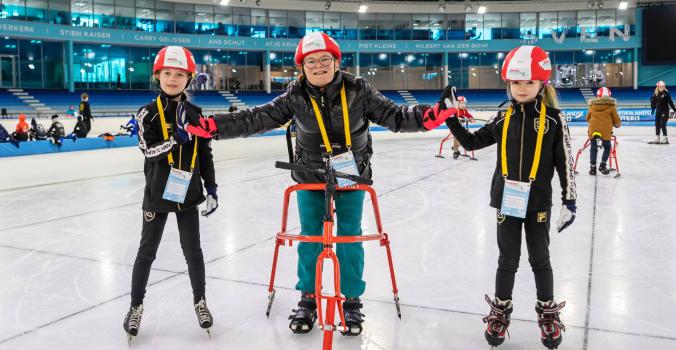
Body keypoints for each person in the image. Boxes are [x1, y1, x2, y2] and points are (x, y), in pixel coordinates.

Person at [184, 32, 457, 336]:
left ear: (336, 62)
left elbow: (395, 115)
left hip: (352, 174)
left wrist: (430, 117)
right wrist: (214, 127)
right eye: (310, 62)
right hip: (309, 175)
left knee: (350, 236)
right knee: (311, 237)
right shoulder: (295, 94)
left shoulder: (358, 89)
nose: (317, 66)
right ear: (302, 67)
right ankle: (308, 298)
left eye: (324, 59)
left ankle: (351, 301)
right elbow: (255, 118)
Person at [445, 45, 577, 349]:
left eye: (528, 82)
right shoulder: (503, 117)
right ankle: (501, 310)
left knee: (540, 259)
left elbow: (565, 163)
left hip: (538, 203)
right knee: (507, 260)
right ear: (508, 83)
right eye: (516, 82)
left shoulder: (554, 120)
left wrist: (570, 201)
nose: (521, 88)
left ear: (542, 84)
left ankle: (547, 311)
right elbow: (471, 141)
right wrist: (450, 116)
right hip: (507, 201)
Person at [123, 46, 219, 341]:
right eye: (167, 73)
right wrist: (175, 140)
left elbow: (204, 154)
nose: (173, 79)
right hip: (157, 195)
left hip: (187, 194)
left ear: (189, 78)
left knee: (193, 251)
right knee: (146, 252)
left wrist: (212, 186)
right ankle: (135, 307)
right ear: (158, 76)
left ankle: (200, 302)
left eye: (179, 74)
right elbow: (148, 151)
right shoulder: (146, 114)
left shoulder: (196, 113)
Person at [586, 87, 621, 175]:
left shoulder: (592, 105)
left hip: (593, 129)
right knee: (607, 147)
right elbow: (616, 120)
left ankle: (592, 168)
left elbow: (587, 118)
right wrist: (617, 124)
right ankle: (602, 165)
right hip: (605, 130)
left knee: (593, 148)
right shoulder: (611, 106)